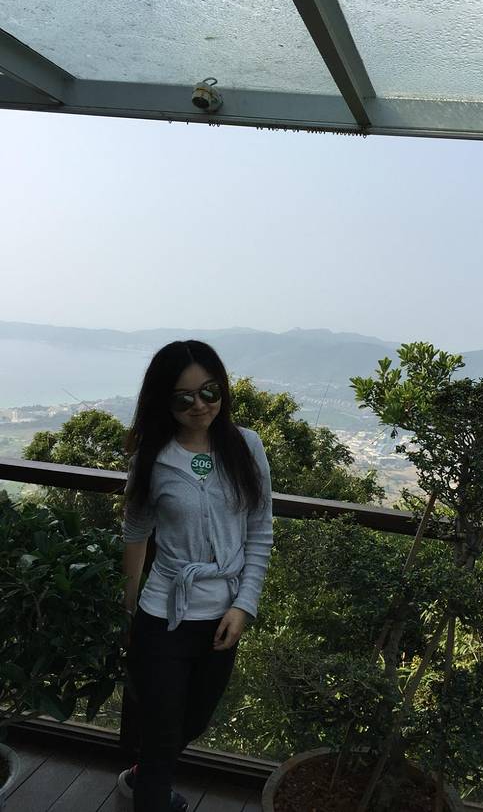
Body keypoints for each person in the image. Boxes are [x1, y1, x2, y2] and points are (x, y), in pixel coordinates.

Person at [117, 340, 273, 812]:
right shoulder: (152, 457)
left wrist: (244, 605)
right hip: (163, 615)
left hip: (221, 617)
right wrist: (128, 608)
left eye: (209, 392)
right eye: (183, 398)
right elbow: (136, 531)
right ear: (163, 401)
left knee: (194, 720)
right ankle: (150, 789)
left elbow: (259, 532)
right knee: (161, 737)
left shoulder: (246, 447)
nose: (199, 405)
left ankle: (143, 774)